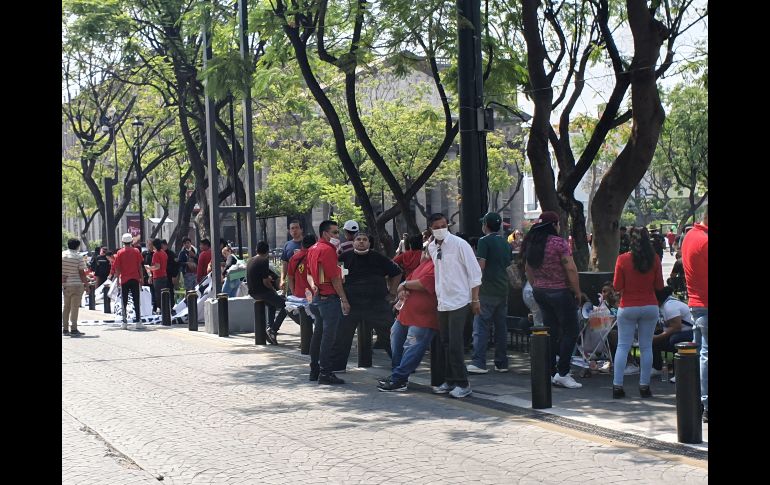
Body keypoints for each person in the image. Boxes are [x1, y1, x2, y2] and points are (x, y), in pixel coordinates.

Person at [523, 211, 583, 389]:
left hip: (540, 291)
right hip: (560, 291)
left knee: (551, 331)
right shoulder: (559, 243)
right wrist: (577, 291)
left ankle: (549, 371)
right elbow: (570, 268)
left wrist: (536, 285)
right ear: (555, 225)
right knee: (571, 331)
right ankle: (563, 372)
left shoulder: (532, 243)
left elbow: (528, 268)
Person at [427, 213, 482, 399]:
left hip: (460, 300)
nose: (441, 228)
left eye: (444, 225)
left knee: (456, 344)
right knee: (446, 343)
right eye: (437, 226)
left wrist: (475, 299)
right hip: (443, 301)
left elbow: (475, 273)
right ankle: (450, 379)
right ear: (431, 229)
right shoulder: (432, 247)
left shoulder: (460, 244)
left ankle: (462, 382)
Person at [331, 232, 402, 372]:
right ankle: (337, 366)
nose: (361, 242)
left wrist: (393, 293)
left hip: (377, 304)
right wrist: (343, 299)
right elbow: (336, 278)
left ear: (369, 243)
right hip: (351, 303)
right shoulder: (344, 257)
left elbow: (397, 272)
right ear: (354, 242)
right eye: (358, 239)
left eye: (365, 240)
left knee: (389, 334)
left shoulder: (378, 257)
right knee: (342, 336)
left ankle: (401, 365)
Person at [611, 227, 664, 399]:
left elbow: (617, 286)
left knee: (623, 346)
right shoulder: (654, 259)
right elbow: (659, 286)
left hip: (628, 306)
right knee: (646, 346)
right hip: (650, 305)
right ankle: (644, 386)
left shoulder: (622, 259)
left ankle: (617, 386)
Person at [378, 251, 438, 392]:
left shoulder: (438, 265)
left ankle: (398, 378)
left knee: (412, 346)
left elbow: (425, 283)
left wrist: (405, 285)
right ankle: (397, 374)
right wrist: (402, 289)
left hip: (424, 316)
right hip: (406, 312)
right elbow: (403, 285)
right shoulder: (422, 265)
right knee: (396, 337)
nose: (425, 252)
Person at [306, 220, 350, 384]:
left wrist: (313, 285)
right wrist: (344, 299)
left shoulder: (312, 249)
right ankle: (325, 372)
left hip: (318, 298)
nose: (337, 236)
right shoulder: (328, 250)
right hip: (328, 298)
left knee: (318, 335)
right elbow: (334, 278)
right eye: (335, 232)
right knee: (328, 337)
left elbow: (310, 274)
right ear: (325, 233)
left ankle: (314, 370)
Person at [468, 212, 512, 374]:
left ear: (485, 225)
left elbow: (481, 266)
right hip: (503, 289)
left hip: (486, 289)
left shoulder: (483, 241)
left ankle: (479, 362)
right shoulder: (505, 243)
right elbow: (508, 264)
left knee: (481, 326)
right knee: (501, 327)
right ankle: (502, 362)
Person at [681, 206, 708, 423]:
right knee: (705, 354)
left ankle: (696, 400)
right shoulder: (706, 241)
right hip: (706, 304)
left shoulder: (690, 236)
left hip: (695, 303)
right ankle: (707, 403)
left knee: (698, 353)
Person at [246, 242, 285, 344]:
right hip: (262, 291)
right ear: (267, 251)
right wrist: (274, 290)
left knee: (272, 306)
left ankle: (269, 328)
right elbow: (266, 282)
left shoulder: (251, 260)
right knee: (286, 306)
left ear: (256, 250)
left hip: (253, 292)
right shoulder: (263, 260)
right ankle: (273, 329)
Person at [651, 286, 694, 375]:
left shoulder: (670, 306)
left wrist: (658, 337)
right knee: (654, 336)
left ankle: (679, 372)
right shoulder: (663, 306)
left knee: (674, 339)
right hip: (680, 331)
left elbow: (676, 327)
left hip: (690, 332)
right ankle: (657, 367)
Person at [112, 233, 145, 330]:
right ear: (131, 241)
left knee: (124, 301)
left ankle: (124, 322)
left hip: (124, 280)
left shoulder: (119, 253)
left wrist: (118, 280)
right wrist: (142, 278)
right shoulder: (136, 251)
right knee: (136, 300)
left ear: (123, 242)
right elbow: (140, 266)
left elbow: (117, 268)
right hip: (135, 278)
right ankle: (138, 321)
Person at [62, 238, 89, 336]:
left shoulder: (63, 255)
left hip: (66, 285)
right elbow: (82, 273)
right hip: (77, 285)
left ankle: (65, 329)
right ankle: (74, 328)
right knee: (75, 307)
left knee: (66, 307)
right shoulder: (78, 257)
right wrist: (86, 285)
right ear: (77, 246)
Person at [280, 220, 304, 294]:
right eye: (292, 228)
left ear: (301, 230)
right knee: (293, 303)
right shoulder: (287, 245)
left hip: (306, 280)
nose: (294, 230)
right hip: (292, 281)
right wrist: (282, 279)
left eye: (297, 227)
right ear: (289, 231)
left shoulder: (307, 243)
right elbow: (285, 264)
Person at [145, 238, 168, 314]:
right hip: (164, 275)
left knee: (158, 295)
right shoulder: (164, 253)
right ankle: (165, 310)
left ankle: (161, 310)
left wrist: (149, 268)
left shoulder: (156, 254)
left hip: (158, 277)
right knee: (164, 294)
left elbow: (157, 266)